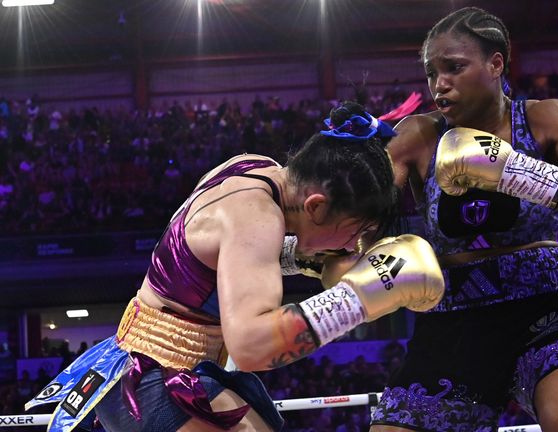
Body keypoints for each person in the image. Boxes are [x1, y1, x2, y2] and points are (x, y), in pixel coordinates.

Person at [26, 102, 445, 432]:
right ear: (316, 205)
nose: (353, 245)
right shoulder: (258, 218)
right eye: (354, 230)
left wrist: (304, 260)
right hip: (153, 382)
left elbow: (213, 256)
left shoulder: (253, 168)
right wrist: (365, 296)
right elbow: (249, 346)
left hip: (149, 368)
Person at [368, 7, 558, 432]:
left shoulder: (547, 118)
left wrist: (514, 171)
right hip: (453, 321)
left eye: (454, 68)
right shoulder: (418, 134)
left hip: (544, 311)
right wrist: (342, 164)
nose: (440, 85)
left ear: (496, 64)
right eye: (431, 74)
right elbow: (361, 207)